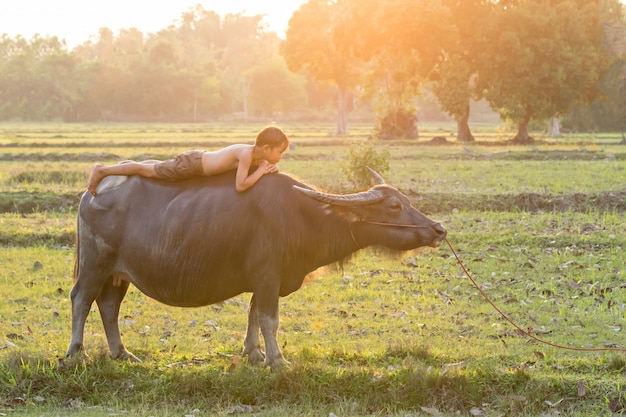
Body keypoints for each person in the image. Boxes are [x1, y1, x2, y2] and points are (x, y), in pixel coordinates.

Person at [87, 125, 289, 195]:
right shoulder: (247, 155)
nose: (280, 157)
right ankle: (103, 170)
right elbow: (241, 186)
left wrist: (265, 168)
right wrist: (262, 171)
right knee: (144, 170)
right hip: (191, 165)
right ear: (266, 148)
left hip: (197, 161)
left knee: (151, 167)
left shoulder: (255, 157)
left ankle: (107, 170)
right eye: (279, 152)